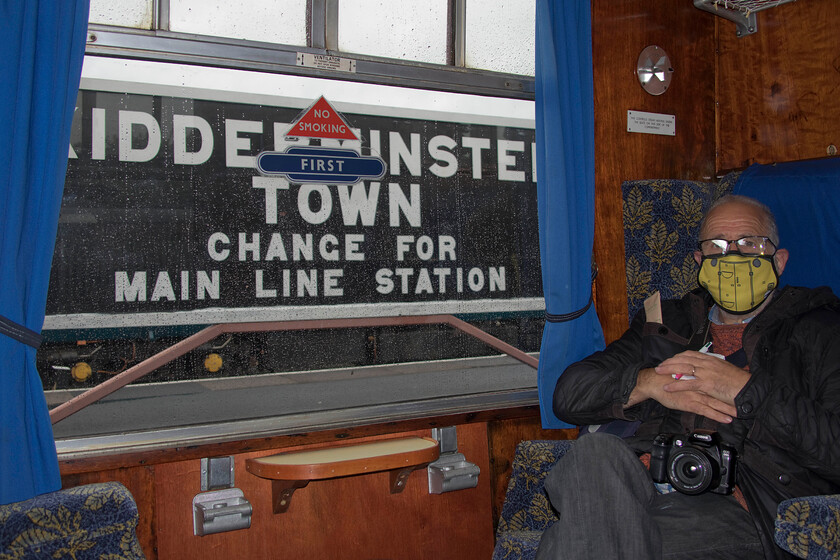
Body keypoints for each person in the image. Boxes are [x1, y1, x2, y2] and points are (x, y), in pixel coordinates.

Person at [536, 195, 840, 560]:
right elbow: (568, 395)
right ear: (700, 261)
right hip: (641, 483)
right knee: (594, 451)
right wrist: (650, 383)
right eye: (717, 246)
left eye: (749, 243)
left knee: (563, 546)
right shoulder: (667, 322)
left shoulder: (821, 330)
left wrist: (743, 389)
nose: (733, 256)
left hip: (742, 505)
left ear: (779, 260)